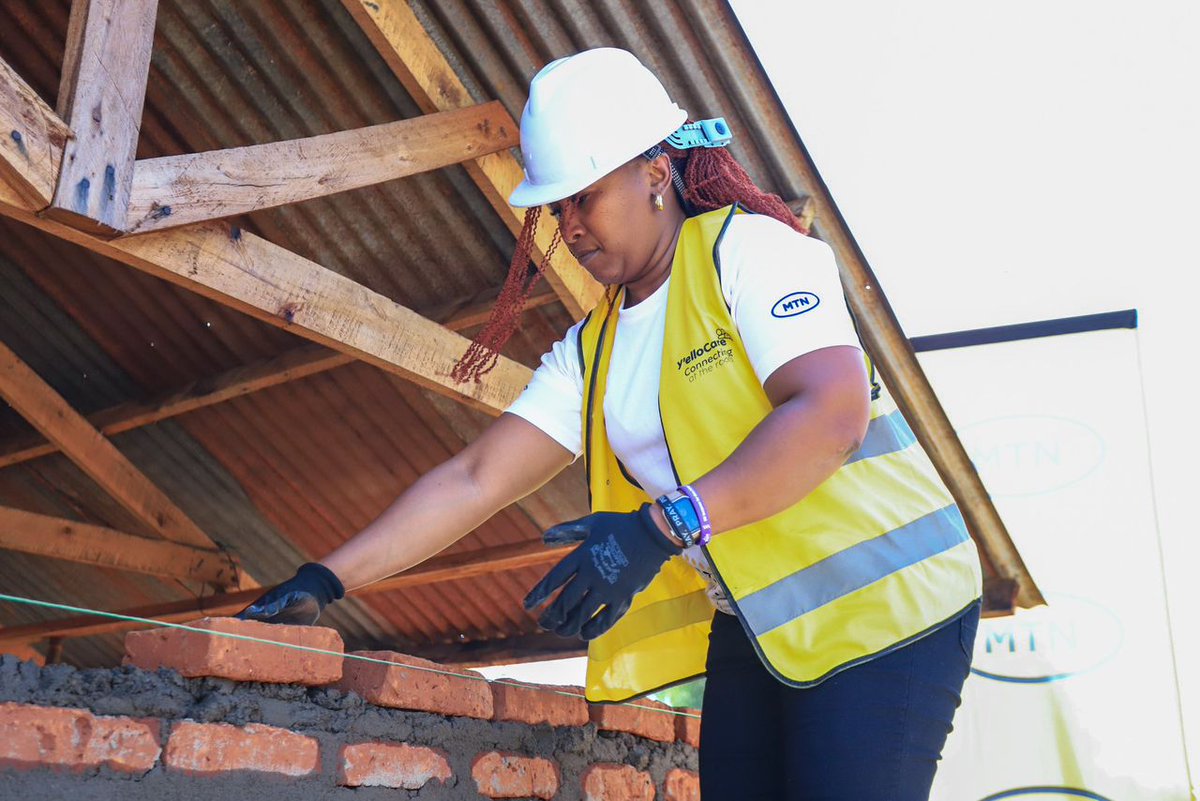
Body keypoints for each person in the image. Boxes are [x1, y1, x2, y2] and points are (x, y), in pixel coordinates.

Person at [240, 47, 983, 800]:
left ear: (655, 173)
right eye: (557, 208)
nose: (570, 226)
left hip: (890, 605)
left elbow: (832, 415)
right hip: (765, 625)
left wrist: (664, 526)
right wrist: (325, 579)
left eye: (583, 198)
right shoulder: (593, 349)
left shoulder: (752, 253)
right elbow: (474, 478)